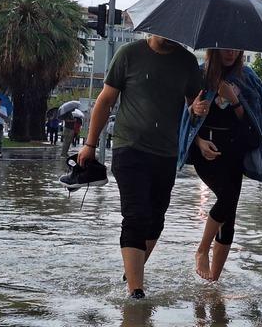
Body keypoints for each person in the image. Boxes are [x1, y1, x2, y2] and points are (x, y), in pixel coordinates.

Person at [77, 35, 204, 299]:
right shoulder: (128, 54)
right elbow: (105, 100)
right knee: (135, 215)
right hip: (129, 148)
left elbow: (193, 107)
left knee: (155, 220)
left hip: (167, 153)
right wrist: (89, 144)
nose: (169, 38)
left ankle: (131, 271)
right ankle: (136, 291)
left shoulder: (187, 62)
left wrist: (198, 110)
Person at [178, 48, 262, 282]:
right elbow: (184, 118)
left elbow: (252, 125)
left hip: (235, 153)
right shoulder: (198, 76)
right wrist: (197, 132)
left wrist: (234, 99)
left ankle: (213, 282)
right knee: (225, 199)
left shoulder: (248, 78)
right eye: (226, 48)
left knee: (230, 214)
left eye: (236, 50)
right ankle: (202, 249)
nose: (231, 54)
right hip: (206, 151)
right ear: (214, 49)